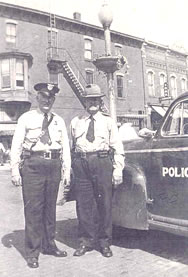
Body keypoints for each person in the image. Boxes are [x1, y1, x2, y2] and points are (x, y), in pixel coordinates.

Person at [11, 82, 71, 268]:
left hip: (53, 165)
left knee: (50, 209)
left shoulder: (59, 120)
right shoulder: (26, 118)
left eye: (50, 97)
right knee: (34, 209)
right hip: (33, 166)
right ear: (37, 97)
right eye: (44, 96)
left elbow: (66, 147)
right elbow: (17, 145)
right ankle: (32, 251)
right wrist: (14, 169)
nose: (47, 100)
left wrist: (66, 170)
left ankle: (49, 244)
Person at [70, 84, 124, 258]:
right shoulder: (76, 121)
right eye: (89, 100)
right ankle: (86, 241)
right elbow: (72, 147)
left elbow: (117, 147)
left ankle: (104, 242)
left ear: (100, 102)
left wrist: (117, 170)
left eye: (95, 99)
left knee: (104, 204)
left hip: (102, 162)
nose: (92, 102)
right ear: (84, 102)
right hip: (81, 162)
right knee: (83, 205)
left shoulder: (108, 121)